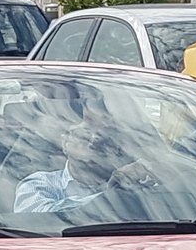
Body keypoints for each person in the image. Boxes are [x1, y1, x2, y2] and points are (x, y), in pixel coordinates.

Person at [14, 84, 166, 213]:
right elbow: (35, 220)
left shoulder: (135, 182)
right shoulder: (39, 184)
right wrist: (113, 194)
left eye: (104, 140)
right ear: (64, 143)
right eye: (85, 136)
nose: (94, 142)